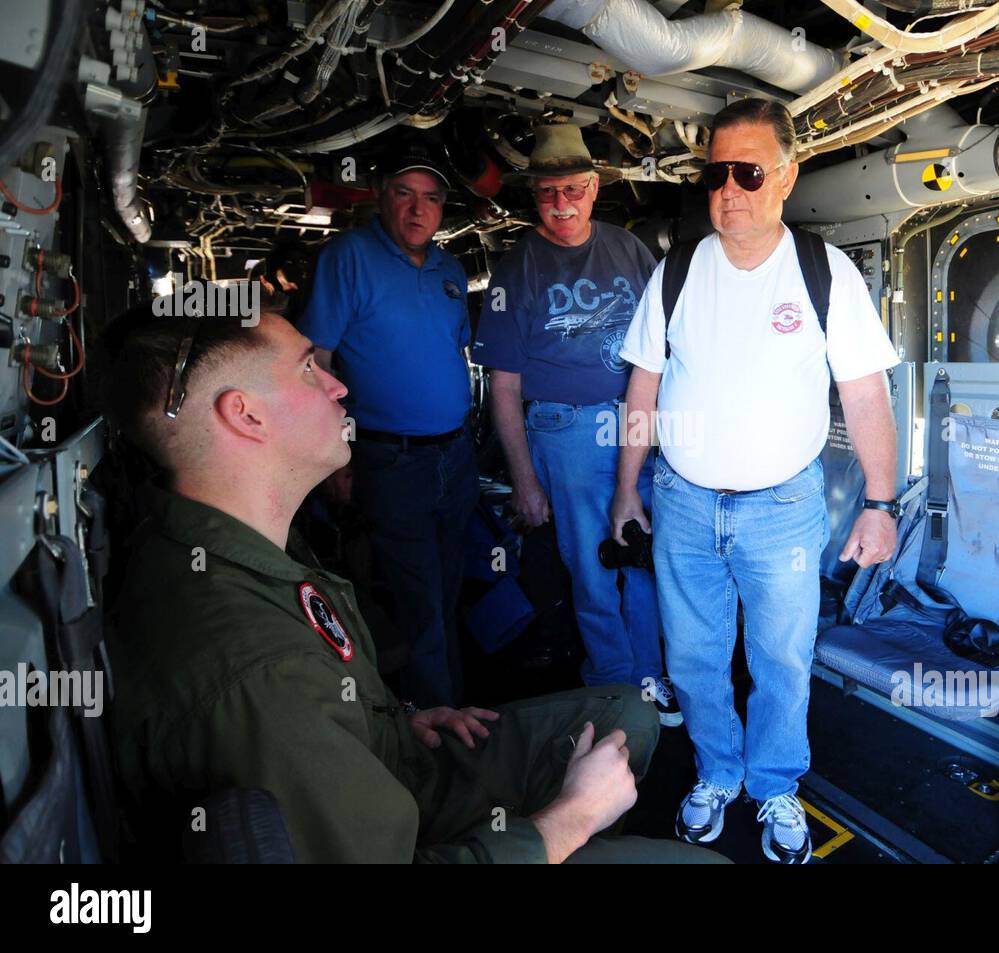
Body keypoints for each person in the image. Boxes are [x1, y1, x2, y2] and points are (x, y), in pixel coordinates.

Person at [103, 303, 725, 864]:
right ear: (244, 415)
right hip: (402, 835)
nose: (338, 384)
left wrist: (389, 725)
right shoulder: (255, 670)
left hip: (390, 770)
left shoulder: (225, 543)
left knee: (631, 714)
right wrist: (568, 821)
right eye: (308, 371)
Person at [612, 99, 901, 863]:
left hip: (783, 508)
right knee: (695, 660)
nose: (728, 190)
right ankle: (717, 771)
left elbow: (867, 394)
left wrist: (880, 502)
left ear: (784, 176)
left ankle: (774, 784)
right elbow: (642, 390)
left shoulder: (822, 273)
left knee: (781, 659)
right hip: (681, 502)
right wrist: (624, 490)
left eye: (747, 172)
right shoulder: (675, 274)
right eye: (716, 174)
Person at [473, 124, 678, 724]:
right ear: (533, 196)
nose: (561, 204)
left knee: (644, 557)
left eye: (573, 189)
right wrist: (524, 482)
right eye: (547, 193)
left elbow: (660, 345)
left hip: (640, 423)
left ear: (594, 189)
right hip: (565, 432)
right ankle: (613, 685)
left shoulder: (629, 247)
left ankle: (649, 679)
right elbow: (504, 386)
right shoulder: (517, 267)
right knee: (592, 569)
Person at [298, 146, 475, 708]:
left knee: (449, 588)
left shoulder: (450, 268)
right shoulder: (349, 257)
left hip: (456, 456)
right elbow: (316, 362)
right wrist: (335, 457)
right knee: (417, 597)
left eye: (430, 198)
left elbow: (454, 351)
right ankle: (437, 726)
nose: (417, 210)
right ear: (381, 197)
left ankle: (455, 701)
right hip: (390, 459)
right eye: (404, 194)